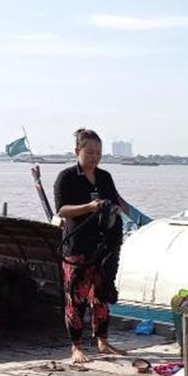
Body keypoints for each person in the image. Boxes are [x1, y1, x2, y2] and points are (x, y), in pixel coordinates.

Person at [54, 128, 136, 363]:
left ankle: (102, 340)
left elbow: (116, 200)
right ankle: (76, 346)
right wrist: (89, 207)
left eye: (99, 152)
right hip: (78, 246)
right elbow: (61, 210)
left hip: (103, 246)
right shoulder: (67, 177)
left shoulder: (105, 177)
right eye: (90, 152)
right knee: (76, 298)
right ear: (77, 151)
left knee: (101, 295)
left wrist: (123, 210)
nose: (95, 156)